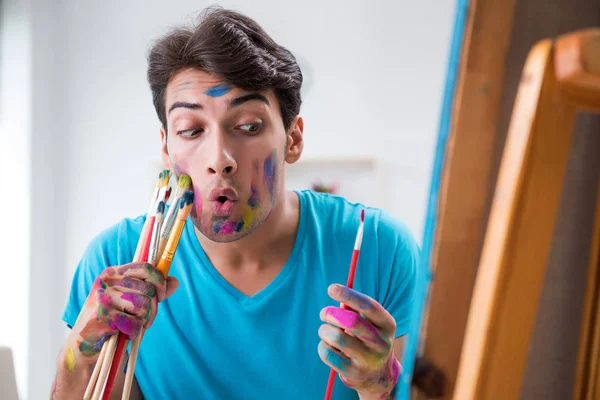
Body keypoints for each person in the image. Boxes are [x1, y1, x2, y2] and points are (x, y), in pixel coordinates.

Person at [51, 7, 419, 400]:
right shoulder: (117, 258)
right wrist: (80, 349)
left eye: (248, 126)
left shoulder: (380, 247)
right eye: (191, 130)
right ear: (166, 147)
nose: (219, 157)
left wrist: (380, 385)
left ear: (292, 139)